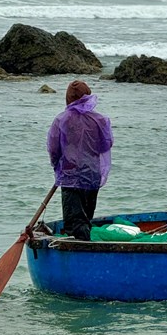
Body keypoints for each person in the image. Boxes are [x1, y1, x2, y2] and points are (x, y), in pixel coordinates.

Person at [47, 80, 114, 240]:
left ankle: (78, 253)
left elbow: (53, 149)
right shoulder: (100, 120)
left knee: (74, 224)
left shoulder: (61, 120)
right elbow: (107, 144)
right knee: (86, 218)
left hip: (71, 178)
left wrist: (58, 167)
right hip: (92, 175)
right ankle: (85, 247)